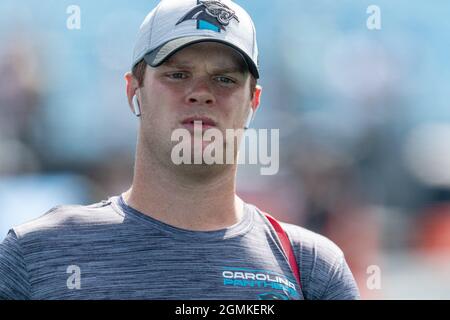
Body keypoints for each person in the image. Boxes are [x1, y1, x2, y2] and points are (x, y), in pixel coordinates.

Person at [0, 0, 360, 300]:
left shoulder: (311, 267)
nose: (201, 92)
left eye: (225, 79)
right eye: (177, 74)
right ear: (133, 91)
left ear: (254, 102)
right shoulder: (37, 255)